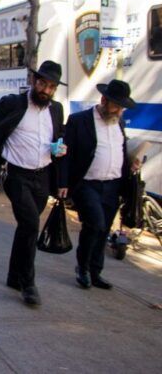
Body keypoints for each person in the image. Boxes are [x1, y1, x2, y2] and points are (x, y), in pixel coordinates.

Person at [0, 60, 67, 306]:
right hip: (16, 175)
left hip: (43, 176)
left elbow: (59, 136)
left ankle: (14, 276)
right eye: (42, 84)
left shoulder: (56, 110)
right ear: (33, 81)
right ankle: (28, 284)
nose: (45, 90)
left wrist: (59, 149)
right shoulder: (13, 104)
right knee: (30, 224)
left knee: (26, 227)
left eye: (51, 87)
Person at [59, 79, 141, 290]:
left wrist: (132, 163)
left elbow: (120, 151)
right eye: (117, 106)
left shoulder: (119, 124)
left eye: (122, 108)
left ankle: (96, 271)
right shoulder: (80, 121)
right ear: (104, 100)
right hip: (88, 184)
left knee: (104, 230)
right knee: (95, 224)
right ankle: (82, 268)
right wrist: (63, 182)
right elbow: (67, 155)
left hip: (113, 185)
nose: (119, 111)